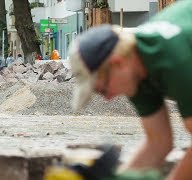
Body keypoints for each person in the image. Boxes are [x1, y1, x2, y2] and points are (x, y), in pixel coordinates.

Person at [68, 1, 192, 179]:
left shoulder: (174, 60)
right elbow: (158, 143)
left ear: (117, 63)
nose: (108, 98)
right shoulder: (136, 68)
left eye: (103, 90)